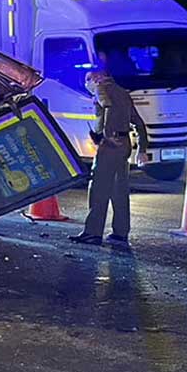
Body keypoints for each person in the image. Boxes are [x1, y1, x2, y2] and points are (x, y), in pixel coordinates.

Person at [70, 62, 144, 246]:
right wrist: (142, 148)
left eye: (88, 79)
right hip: (125, 144)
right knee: (119, 190)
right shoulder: (123, 92)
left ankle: (92, 233)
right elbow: (138, 123)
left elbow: (107, 107)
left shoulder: (101, 89)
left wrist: (104, 135)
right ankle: (120, 232)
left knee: (98, 190)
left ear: (98, 77)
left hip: (110, 146)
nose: (87, 83)